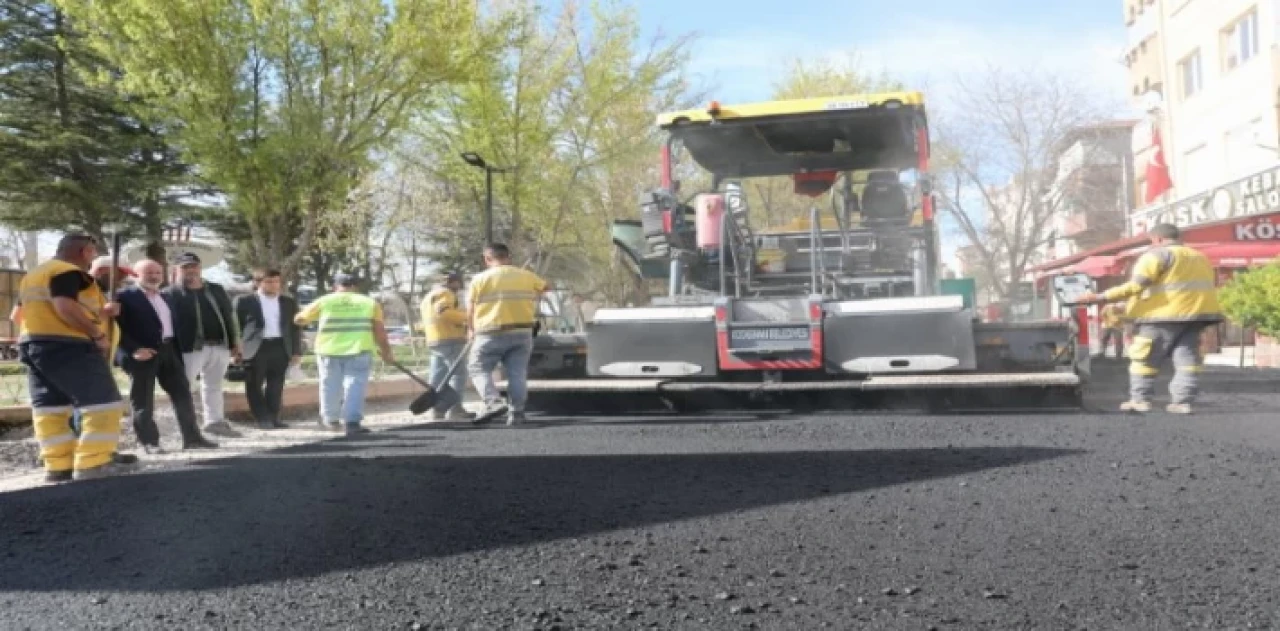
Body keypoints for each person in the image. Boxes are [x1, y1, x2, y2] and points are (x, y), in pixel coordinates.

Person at [18, 234, 132, 482]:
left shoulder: (33, 275)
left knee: (51, 407)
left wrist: (101, 312)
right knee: (103, 403)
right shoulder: (68, 271)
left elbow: (22, 315)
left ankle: (59, 465)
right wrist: (96, 334)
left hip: (35, 344)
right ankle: (94, 462)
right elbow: (64, 305)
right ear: (85, 252)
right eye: (92, 252)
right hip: (69, 345)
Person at [1078, 223, 1223, 414]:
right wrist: (1128, 306)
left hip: (1162, 317)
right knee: (1187, 360)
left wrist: (1100, 297)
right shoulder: (1199, 257)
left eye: (1151, 241)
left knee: (1144, 359)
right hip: (1196, 316)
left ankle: (1140, 400)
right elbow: (1176, 289)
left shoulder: (1157, 255)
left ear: (1157, 239)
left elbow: (1137, 286)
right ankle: (1182, 402)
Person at [114, 259, 219, 453]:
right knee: (143, 398)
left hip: (169, 350)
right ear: (136, 275)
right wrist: (133, 349)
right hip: (142, 354)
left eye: (158, 273)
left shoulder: (165, 297)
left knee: (182, 393)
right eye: (149, 273)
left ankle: (192, 438)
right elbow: (116, 328)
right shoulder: (124, 297)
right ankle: (150, 443)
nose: (154, 277)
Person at [293, 273, 394, 435]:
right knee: (355, 385)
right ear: (355, 287)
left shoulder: (325, 301)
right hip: (359, 350)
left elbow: (299, 319)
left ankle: (330, 420)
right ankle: (352, 423)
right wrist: (386, 351)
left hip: (328, 350)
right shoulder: (369, 303)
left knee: (329, 385)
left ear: (335, 287)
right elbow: (379, 330)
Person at [466, 243, 548, 426]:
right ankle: (517, 414)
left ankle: (492, 401)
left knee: (478, 368)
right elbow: (545, 287)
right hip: (522, 331)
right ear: (508, 257)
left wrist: (470, 329)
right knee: (517, 373)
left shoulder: (480, 279)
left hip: (490, 332)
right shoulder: (525, 275)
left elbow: (470, 308)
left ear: (487, 259)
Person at [164, 252, 241, 438]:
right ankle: (185, 426)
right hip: (189, 348)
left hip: (219, 345)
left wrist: (234, 342)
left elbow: (229, 316)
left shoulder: (216, 289)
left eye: (194, 266)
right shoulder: (169, 293)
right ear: (177, 270)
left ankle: (214, 422)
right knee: (184, 386)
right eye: (185, 267)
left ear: (200, 268)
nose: (190, 270)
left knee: (214, 385)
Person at [235, 268, 304, 429]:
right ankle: (262, 417)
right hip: (255, 348)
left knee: (276, 384)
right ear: (258, 283)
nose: (274, 285)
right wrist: (236, 348)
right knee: (254, 384)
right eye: (269, 282)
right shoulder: (245, 301)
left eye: (276, 282)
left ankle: (274, 417)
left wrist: (296, 351)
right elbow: (236, 325)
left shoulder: (288, 302)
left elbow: (295, 328)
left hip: (280, 346)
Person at [419, 271, 474, 421]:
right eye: (459, 282)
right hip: (450, 339)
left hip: (435, 340)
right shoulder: (445, 293)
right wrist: (468, 318)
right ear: (453, 282)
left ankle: (437, 410)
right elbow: (444, 312)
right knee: (458, 374)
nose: (460, 286)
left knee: (438, 377)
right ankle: (456, 409)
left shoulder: (428, 297)